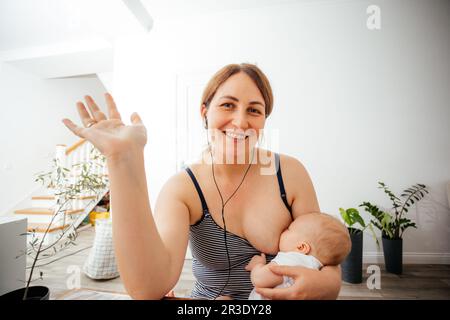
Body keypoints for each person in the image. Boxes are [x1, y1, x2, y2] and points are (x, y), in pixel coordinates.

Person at [62, 63, 343, 300]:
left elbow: (325, 251)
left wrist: (328, 285)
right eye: (227, 105)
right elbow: (149, 287)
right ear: (204, 111)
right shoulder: (183, 188)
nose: (240, 121)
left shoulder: (290, 173)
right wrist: (123, 161)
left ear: (264, 120)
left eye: (254, 110)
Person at [246, 212, 351, 300]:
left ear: (301, 247)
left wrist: (257, 265)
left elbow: (260, 279)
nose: (284, 230)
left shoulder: (292, 260)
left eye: (289, 229)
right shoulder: (315, 268)